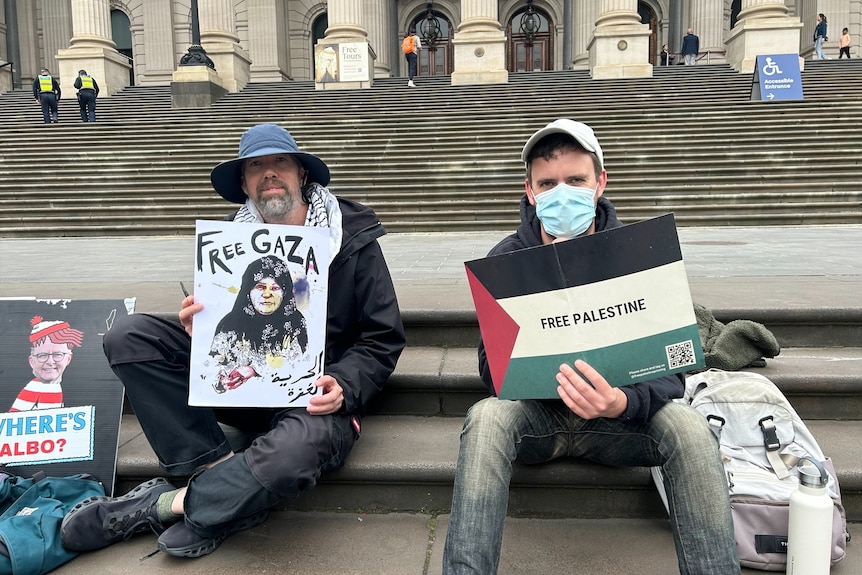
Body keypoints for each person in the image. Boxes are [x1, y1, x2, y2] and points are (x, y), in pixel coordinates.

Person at [60, 123, 406, 558]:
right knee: (129, 335)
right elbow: (223, 325)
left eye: (279, 162)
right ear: (243, 183)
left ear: (301, 173)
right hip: (240, 386)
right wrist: (199, 329)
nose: (269, 174)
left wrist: (344, 383)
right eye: (256, 166)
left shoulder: (353, 237)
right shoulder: (228, 240)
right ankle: (214, 470)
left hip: (314, 397)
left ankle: (170, 503)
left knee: (293, 453)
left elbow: (382, 338)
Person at [441, 119, 740, 575]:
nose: (562, 192)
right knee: (485, 418)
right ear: (530, 191)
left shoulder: (639, 256)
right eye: (548, 183)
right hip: (540, 418)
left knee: (691, 429)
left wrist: (623, 402)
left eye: (576, 180)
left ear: (600, 182)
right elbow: (490, 367)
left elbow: (672, 369)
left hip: (619, 423)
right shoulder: (505, 260)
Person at [209, 255, 309, 393]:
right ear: (248, 291)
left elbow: (301, 370)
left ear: (285, 292)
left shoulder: (295, 324)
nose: (267, 294)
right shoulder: (229, 325)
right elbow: (210, 368)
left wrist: (255, 371)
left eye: (275, 288)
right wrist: (223, 380)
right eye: (260, 287)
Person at [9, 317, 84, 412]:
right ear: (32, 361)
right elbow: (13, 422)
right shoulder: (34, 388)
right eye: (42, 355)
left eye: (57, 355)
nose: (50, 362)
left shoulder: (56, 387)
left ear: (68, 358)